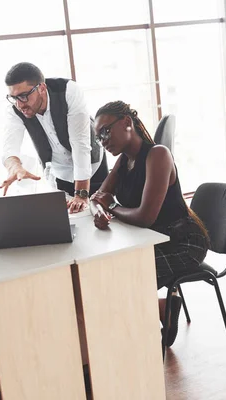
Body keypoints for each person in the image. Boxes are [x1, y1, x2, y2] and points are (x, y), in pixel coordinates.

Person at [89, 101, 210, 347]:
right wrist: (98, 208)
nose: (102, 140)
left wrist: (110, 208)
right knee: (106, 275)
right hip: (153, 240)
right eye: (98, 136)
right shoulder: (124, 161)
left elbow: (146, 217)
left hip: (183, 242)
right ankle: (163, 306)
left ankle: (140, 343)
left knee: (120, 280)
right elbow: (96, 198)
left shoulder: (158, 155)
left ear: (126, 123)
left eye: (105, 131)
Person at [0, 62, 108, 213]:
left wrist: (81, 194)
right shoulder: (15, 109)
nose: (19, 104)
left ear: (42, 88)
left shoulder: (68, 91)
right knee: (70, 221)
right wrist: (15, 167)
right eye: (13, 97)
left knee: (102, 215)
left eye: (24, 96)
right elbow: (9, 148)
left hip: (91, 167)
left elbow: (80, 145)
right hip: (60, 173)